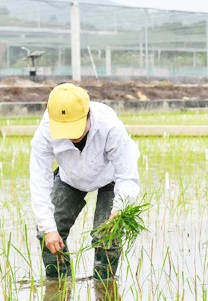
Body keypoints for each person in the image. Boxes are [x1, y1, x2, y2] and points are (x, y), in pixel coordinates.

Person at [30, 83, 141, 280]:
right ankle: (59, 287)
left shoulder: (109, 126)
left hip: (110, 176)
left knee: (107, 236)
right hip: (70, 176)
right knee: (47, 234)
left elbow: (127, 176)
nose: (71, 135)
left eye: (76, 128)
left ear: (88, 114)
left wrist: (118, 211)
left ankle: (105, 287)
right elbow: (40, 180)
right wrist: (49, 229)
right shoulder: (45, 131)